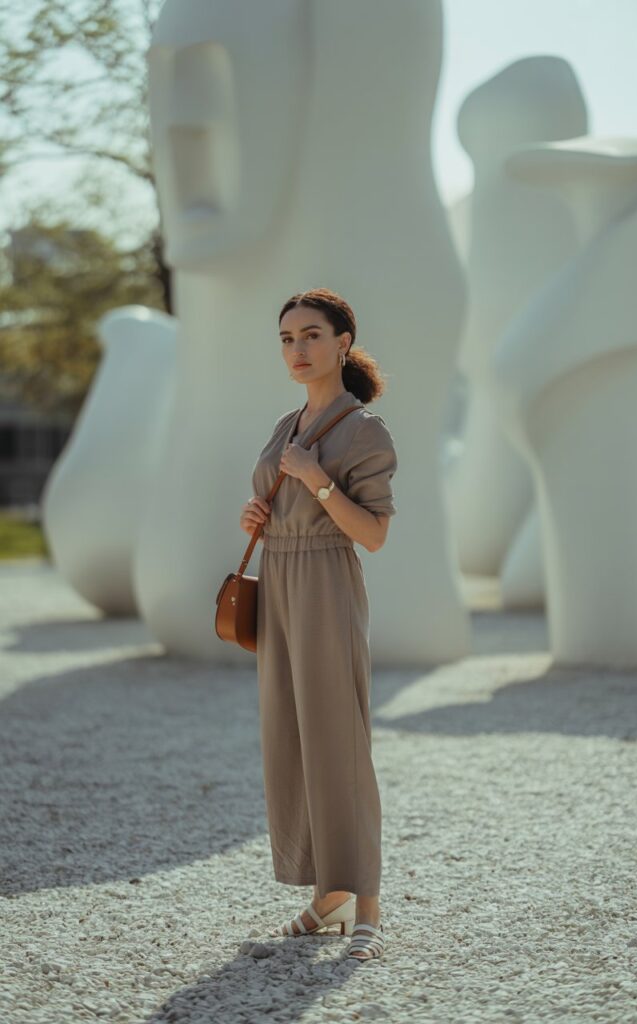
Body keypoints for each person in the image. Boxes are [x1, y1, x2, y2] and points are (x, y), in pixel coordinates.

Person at [241, 287, 397, 961]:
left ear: (342, 343)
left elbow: (374, 535)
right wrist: (258, 518)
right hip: (280, 582)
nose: (296, 349)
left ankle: (367, 903)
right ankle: (327, 895)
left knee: (340, 739)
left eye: (310, 335)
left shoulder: (364, 430)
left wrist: (316, 482)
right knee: (292, 742)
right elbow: (279, 501)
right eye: (285, 339)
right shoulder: (285, 425)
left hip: (328, 585)